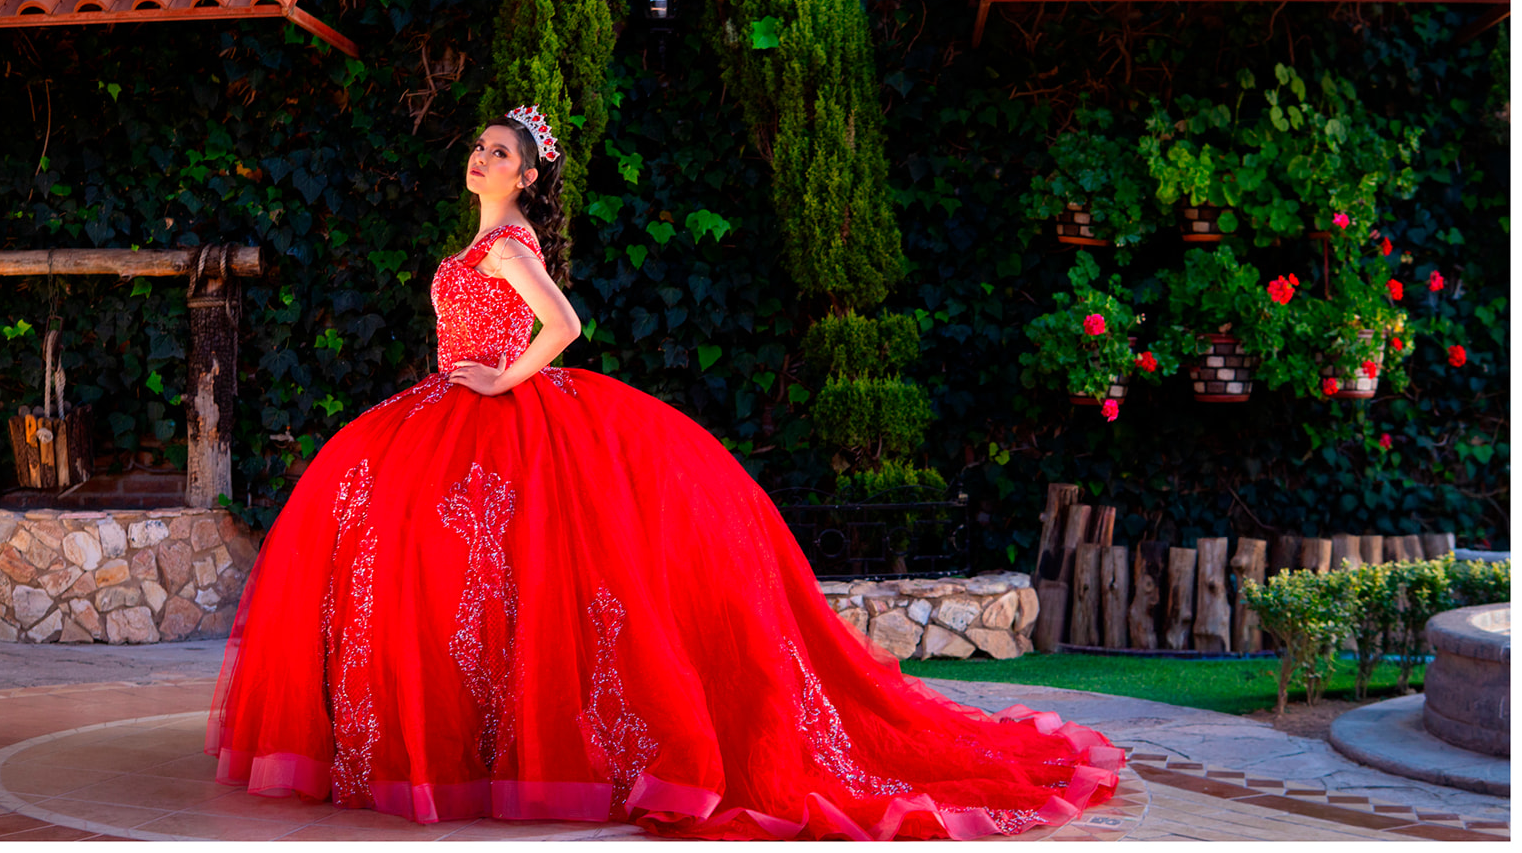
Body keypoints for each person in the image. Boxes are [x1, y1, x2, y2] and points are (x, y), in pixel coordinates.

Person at [205, 105, 1123, 841]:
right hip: (450, 411)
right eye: (479, 148)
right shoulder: (485, 243)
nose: (480, 159)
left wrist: (501, 379)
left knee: (515, 579)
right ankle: (469, 746)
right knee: (463, 578)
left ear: (526, 176)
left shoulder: (512, 243)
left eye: (498, 153)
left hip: (497, 408)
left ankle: (505, 752)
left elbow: (561, 326)